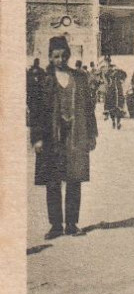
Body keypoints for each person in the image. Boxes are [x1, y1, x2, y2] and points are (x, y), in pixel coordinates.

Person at [28, 35, 97, 239]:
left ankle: (72, 224)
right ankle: (56, 225)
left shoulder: (80, 78)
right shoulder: (43, 80)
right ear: (50, 57)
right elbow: (36, 112)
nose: (60, 60)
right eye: (55, 56)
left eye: (63, 55)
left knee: (74, 179)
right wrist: (37, 138)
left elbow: (89, 108)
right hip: (52, 137)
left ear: (68, 55)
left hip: (76, 136)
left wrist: (92, 134)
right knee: (53, 181)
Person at [103, 57, 127, 129]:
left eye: (108, 62)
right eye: (106, 62)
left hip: (118, 89)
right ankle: (113, 122)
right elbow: (103, 79)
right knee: (111, 107)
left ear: (110, 62)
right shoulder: (104, 70)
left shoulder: (116, 69)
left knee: (119, 107)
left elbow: (124, 74)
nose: (107, 63)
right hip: (110, 90)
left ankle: (118, 122)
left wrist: (122, 80)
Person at [26, 58, 45, 124]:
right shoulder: (41, 71)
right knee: (36, 108)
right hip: (37, 94)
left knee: (34, 108)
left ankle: (34, 121)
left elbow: (27, 83)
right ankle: (36, 121)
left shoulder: (30, 71)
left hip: (33, 94)